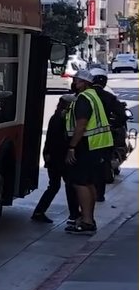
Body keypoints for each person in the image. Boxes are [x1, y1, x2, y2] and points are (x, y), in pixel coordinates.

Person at [64, 69, 114, 235]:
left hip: (87, 145)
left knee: (80, 182)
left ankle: (86, 221)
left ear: (84, 83)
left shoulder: (84, 98)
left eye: (77, 80)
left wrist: (72, 147)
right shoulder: (93, 95)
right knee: (89, 182)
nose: (74, 83)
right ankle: (89, 219)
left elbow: (81, 125)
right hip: (97, 146)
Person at [32, 95, 81, 224]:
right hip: (59, 158)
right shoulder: (62, 118)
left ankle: (39, 211)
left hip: (53, 157)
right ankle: (74, 214)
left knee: (55, 185)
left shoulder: (56, 116)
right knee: (68, 185)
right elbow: (58, 140)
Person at [88, 68, 129, 197]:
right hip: (105, 138)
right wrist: (115, 124)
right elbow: (122, 115)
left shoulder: (85, 96)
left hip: (86, 136)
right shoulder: (109, 97)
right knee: (102, 164)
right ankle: (99, 195)